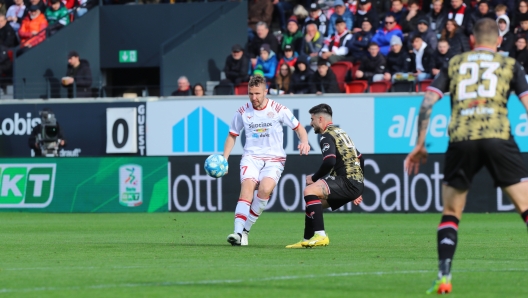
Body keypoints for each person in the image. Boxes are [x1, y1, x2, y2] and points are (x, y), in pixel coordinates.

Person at [405, 18, 528, 294]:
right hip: (498, 136)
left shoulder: (455, 62)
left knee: (451, 212)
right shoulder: (510, 64)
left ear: (473, 40)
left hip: (461, 138)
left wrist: (419, 144)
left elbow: (428, 101)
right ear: (499, 40)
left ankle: (444, 276)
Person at [223, 74, 310, 246]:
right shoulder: (242, 112)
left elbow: (299, 128)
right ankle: (237, 232)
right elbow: (232, 135)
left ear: (265, 91)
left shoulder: (278, 109)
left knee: (264, 190)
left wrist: (305, 141)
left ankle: (246, 230)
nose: (253, 98)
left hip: (274, 159)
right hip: (251, 157)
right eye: (250, 94)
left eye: (257, 94)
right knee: (247, 189)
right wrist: (224, 159)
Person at [285, 103, 364, 249]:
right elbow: (360, 157)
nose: (310, 123)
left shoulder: (326, 136)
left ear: (320, 119)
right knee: (315, 205)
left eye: (312, 119)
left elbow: (330, 161)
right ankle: (306, 240)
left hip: (347, 181)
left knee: (309, 191)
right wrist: (359, 188)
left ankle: (320, 235)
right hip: (354, 183)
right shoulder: (341, 133)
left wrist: (314, 178)